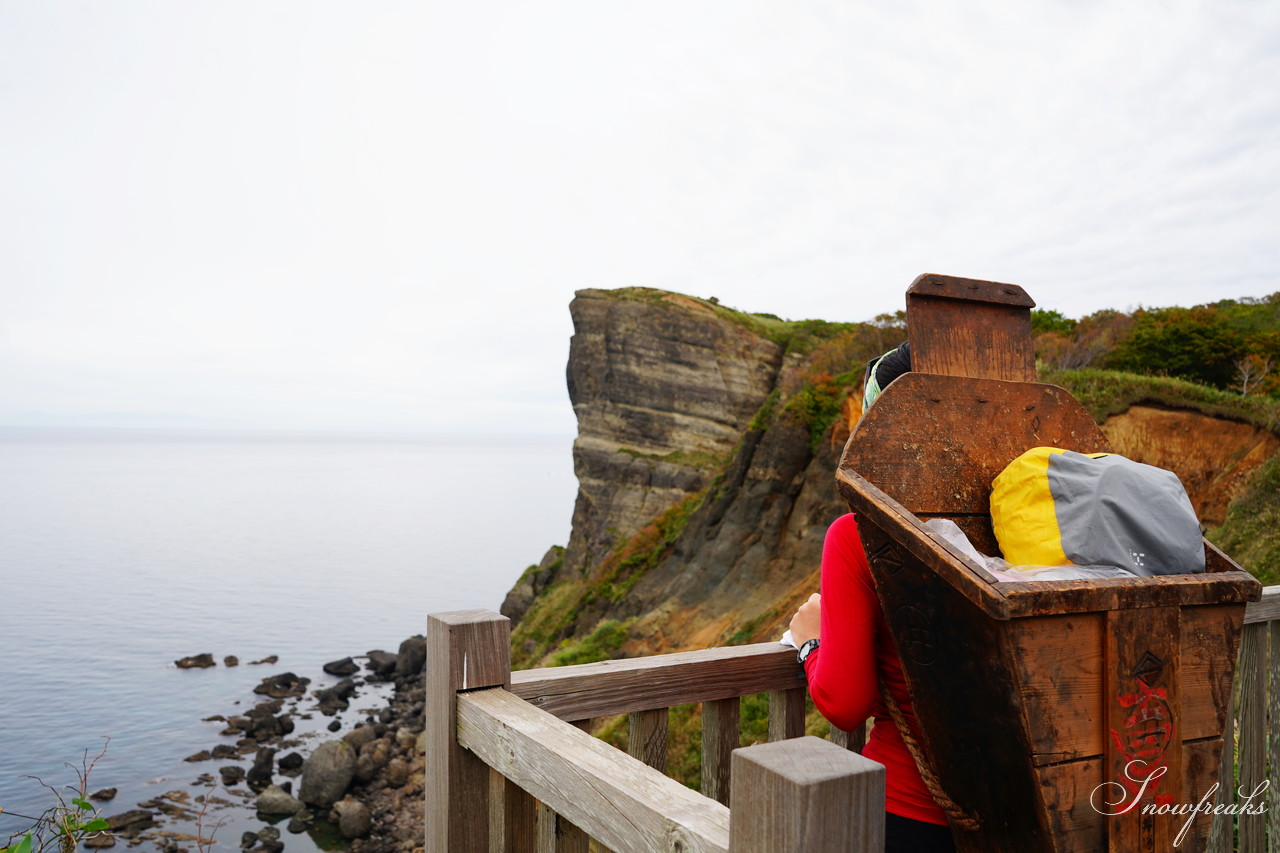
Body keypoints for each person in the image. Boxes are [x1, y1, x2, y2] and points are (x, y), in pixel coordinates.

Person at [788, 341, 957, 853]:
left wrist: (809, 642)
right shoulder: (1038, 519)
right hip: (1055, 805)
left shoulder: (859, 535)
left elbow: (846, 703)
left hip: (916, 811)